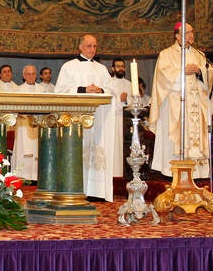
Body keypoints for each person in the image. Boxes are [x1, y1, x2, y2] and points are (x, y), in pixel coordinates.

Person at [55, 34, 117, 201]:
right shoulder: (69, 67)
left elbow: (112, 90)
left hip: (98, 119)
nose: (92, 50)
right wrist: (83, 89)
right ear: (80, 47)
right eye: (89, 46)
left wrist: (101, 91)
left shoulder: (101, 69)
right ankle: (76, 188)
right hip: (77, 119)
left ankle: (97, 191)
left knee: (97, 151)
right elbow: (60, 91)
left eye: (95, 46)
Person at [149, 22, 213, 178]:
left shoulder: (199, 55)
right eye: (187, 32)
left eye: (192, 32)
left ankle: (195, 176)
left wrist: (199, 71)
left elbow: (209, 72)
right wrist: (182, 72)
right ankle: (174, 174)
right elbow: (162, 78)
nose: (191, 35)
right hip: (175, 106)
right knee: (176, 139)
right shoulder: (166, 54)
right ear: (177, 35)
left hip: (195, 105)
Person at [13, 65, 43, 180]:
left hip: (38, 123)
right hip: (24, 124)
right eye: (28, 74)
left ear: (36, 75)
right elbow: (15, 108)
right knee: (23, 149)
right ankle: (22, 175)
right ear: (24, 76)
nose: (31, 76)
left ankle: (36, 176)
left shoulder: (41, 89)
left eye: (33, 74)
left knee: (37, 150)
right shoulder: (19, 90)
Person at [106, 58, 132, 176]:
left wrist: (126, 101)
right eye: (118, 66)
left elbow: (134, 101)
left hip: (126, 120)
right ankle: (114, 174)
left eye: (122, 66)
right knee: (115, 148)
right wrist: (121, 102)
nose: (121, 68)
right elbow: (109, 103)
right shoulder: (109, 84)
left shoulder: (130, 84)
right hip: (114, 119)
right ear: (113, 68)